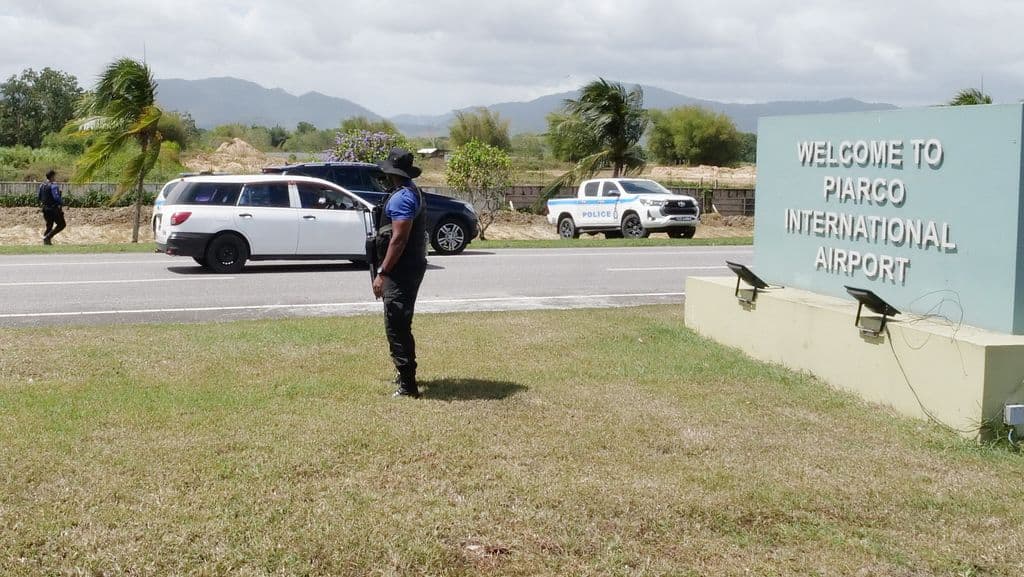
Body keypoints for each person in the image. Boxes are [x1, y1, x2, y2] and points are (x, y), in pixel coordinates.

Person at [372, 148, 428, 398]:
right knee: (400, 322)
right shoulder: (408, 192)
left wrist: (383, 271)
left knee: (396, 323)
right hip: (408, 266)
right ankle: (403, 374)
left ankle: (408, 384)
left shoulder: (403, 198)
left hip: (401, 269)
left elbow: (399, 239)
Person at [39, 170, 66, 245]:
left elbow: (40, 197)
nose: (55, 178)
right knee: (62, 224)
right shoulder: (53, 185)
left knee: (49, 226)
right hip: (53, 209)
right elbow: (56, 197)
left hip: (45, 209)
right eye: (54, 176)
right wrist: (62, 203)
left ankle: (46, 241)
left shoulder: (42, 185)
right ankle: (48, 237)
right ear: (52, 176)